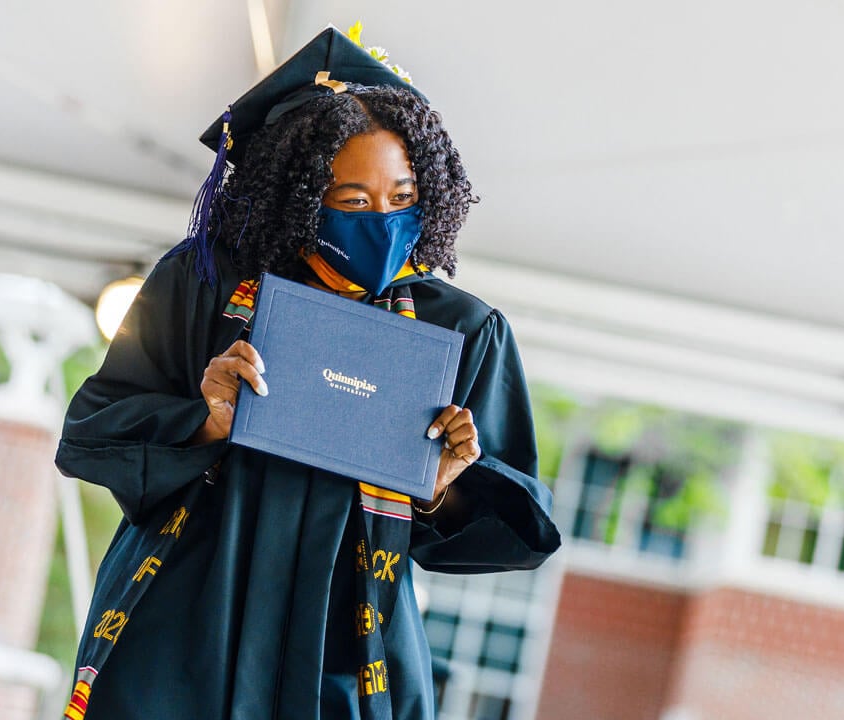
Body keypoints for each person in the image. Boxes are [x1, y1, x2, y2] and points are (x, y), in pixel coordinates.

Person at [57, 25, 560, 720]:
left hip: (347, 651)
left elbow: (515, 533)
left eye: (403, 196)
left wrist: (442, 491)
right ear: (297, 193)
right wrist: (204, 421)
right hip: (188, 625)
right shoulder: (206, 283)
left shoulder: (461, 330)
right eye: (354, 201)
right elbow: (90, 435)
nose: (383, 222)